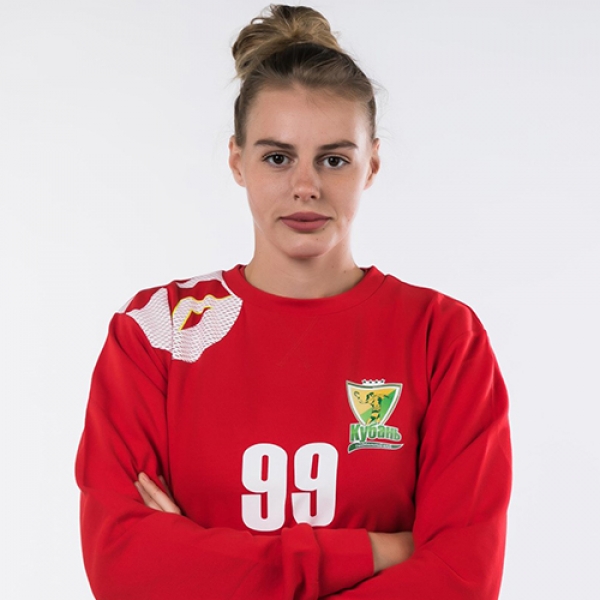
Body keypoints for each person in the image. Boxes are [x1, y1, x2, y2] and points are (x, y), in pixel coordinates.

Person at [76, 5, 511, 599]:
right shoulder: (160, 331)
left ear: (371, 163)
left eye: (334, 159)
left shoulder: (443, 337)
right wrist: (380, 551)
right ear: (237, 160)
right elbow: (125, 567)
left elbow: (461, 579)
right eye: (277, 157)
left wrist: (201, 562)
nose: (305, 186)